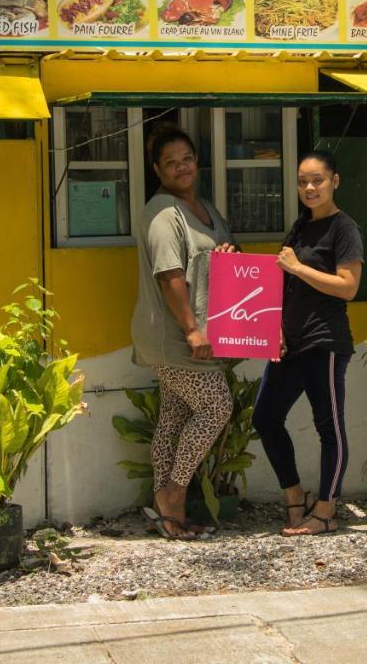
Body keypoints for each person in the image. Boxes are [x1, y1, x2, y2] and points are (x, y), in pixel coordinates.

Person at [130, 128, 236, 539]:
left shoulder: (205, 207)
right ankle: (173, 494)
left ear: (197, 160)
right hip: (173, 335)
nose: (182, 167)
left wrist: (227, 255)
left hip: (193, 333)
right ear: (157, 169)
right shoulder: (162, 212)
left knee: (174, 416)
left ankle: (165, 508)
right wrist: (193, 331)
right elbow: (170, 275)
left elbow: (221, 258)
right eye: (171, 162)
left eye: (187, 158)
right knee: (215, 407)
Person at [252, 150, 364, 536]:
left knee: (328, 427)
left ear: (335, 181)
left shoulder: (344, 229)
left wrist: (299, 267)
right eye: (302, 182)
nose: (310, 188)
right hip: (291, 345)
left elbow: (348, 287)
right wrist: (276, 329)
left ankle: (326, 511)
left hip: (326, 343)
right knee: (264, 418)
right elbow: (284, 286)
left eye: (317, 180)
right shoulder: (300, 228)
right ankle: (295, 495)